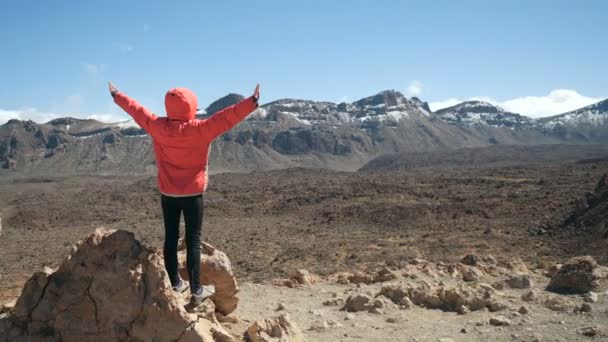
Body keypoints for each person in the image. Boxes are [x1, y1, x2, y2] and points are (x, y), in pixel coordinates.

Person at [109, 81, 260, 305]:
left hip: (168, 194)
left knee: (170, 237)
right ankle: (197, 290)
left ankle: (175, 283)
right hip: (193, 195)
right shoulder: (201, 129)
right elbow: (227, 117)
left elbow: (137, 111)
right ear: (192, 106)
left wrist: (117, 94)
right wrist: (251, 102)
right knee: (193, 240)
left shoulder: (158, 127)